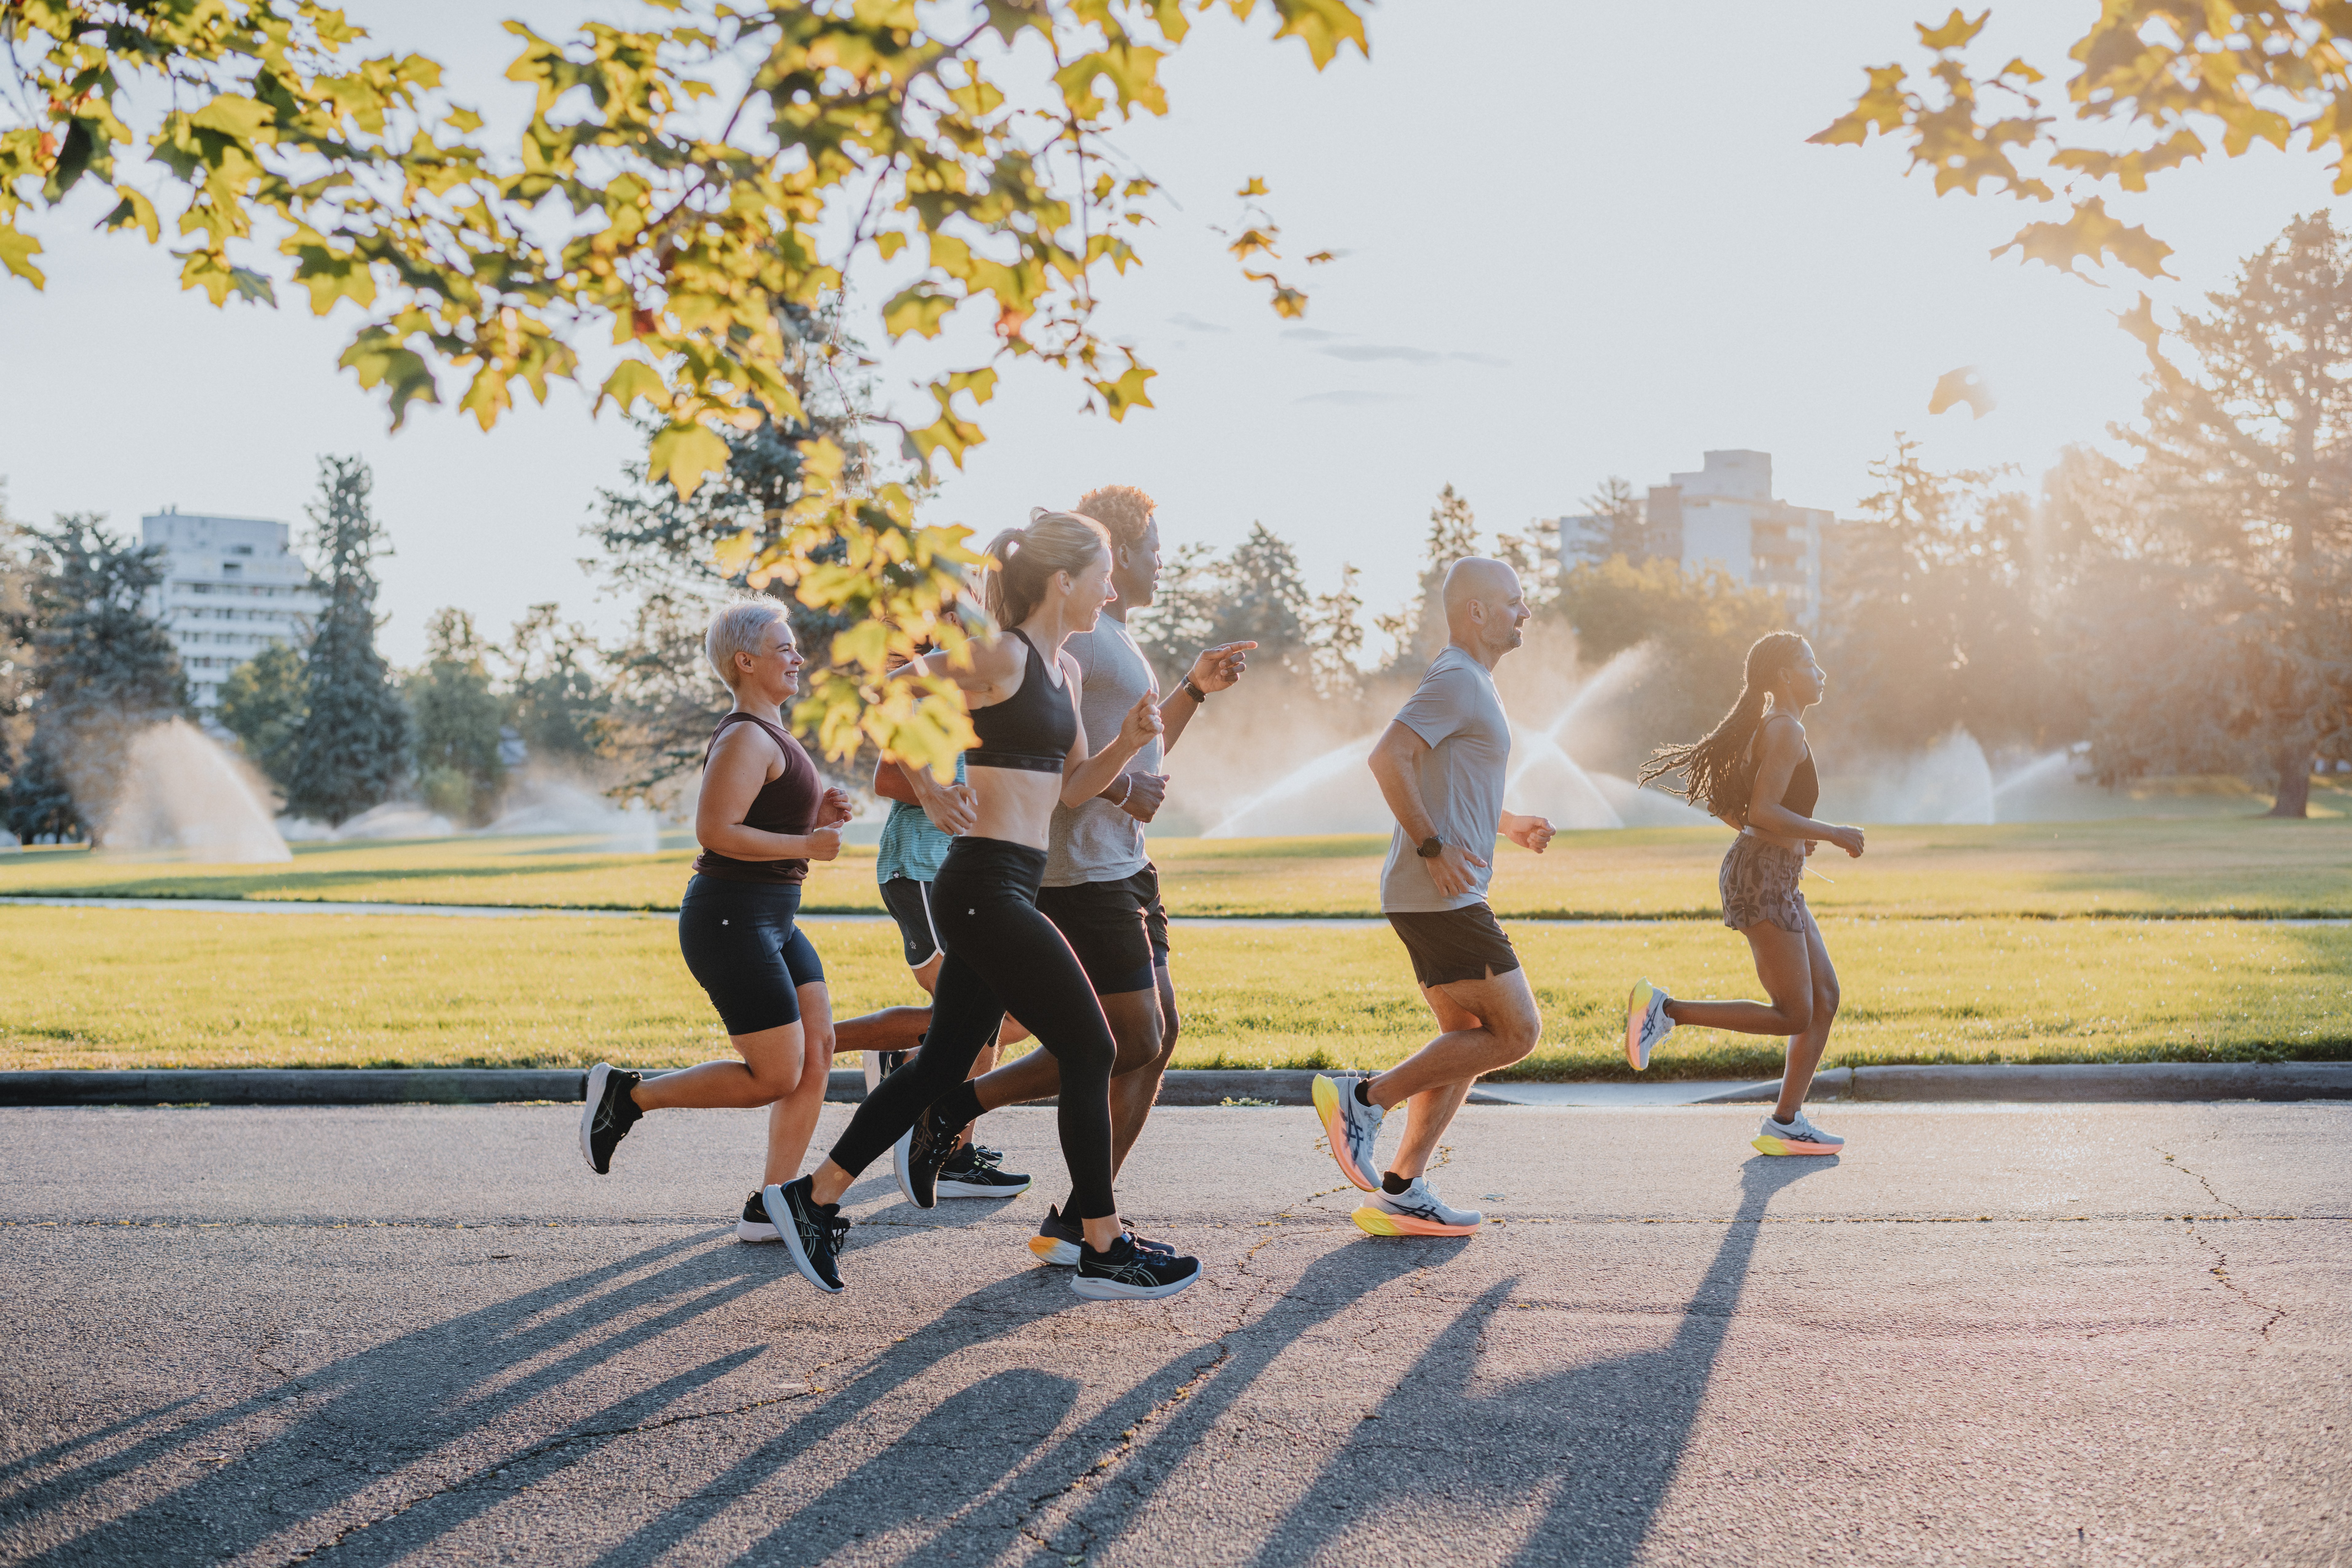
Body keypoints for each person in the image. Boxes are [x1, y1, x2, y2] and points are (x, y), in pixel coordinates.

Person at [764, 509, 1204, 1301]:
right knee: (1093, 1047)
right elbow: (886, 697)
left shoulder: (1063, 670)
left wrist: (1129, 740)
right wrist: (931, 788)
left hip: (1012, 884)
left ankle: (813, 1196)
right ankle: (1102, 1241)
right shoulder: (998, 655)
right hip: (980, 885)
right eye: (1101, 573)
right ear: (1064, 581)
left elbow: (1072, 787)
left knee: (939, 1061)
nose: (1109, 589)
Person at [929, 484, 1255, 1266]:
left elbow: (1144, 748)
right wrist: (1119, 786)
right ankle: (962, 1111)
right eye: (1148, 547)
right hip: (1081, 871)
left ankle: (1082, 1212)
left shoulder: (1113, 640)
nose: (1157, 561)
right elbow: (1063, 756)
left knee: (1152, 1036)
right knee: (1123, 1038)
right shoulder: (1082, 639)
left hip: (1123, 862)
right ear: (1110, 549)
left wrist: (1191, 693)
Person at [577, 599, 929, 1244]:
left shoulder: (773, 733)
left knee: (818, 1054)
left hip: (774, 920)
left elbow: (760, 813)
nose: (797, 657)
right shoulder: (744, 734)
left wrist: (816, 809)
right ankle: (626, 1099)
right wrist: (805, 845)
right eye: (783, 647)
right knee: (775, 1075)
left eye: (795, 647)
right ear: (745, 661)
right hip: (730, 921)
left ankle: (772, 1204)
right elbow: (715, 830)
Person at [1311, 558, 1555, 1238]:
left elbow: (1453, 775)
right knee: (1517, 1032)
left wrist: (1509, 824)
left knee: (1466, 1039)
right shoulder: (1457, 677)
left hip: (1435, 893)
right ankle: (1364, 1099)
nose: (1524, 612)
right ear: (1476, 612)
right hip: (1438, 893)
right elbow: (1389, 757)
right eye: (1512, 601)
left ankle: (1402, 1186)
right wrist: (1431, 846)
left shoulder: (1473, 683)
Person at [1624, 632, 1865, 1157]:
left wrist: (1792, 840)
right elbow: (1761, 812)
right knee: (1794, 1013)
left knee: (1824, 999)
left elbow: (1728, 806)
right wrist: (1831, 832)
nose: (1821, 672)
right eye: (1811, 662)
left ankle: (1786, 1121)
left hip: (1773, 872)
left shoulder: (1774, 727)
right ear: (1784, 675)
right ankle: (1666, 1011)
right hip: (1762, 877)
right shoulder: (1785, 730)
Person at [868, 600, 1033, 1202]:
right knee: (983, 1017)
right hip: (920, 870)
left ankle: (904, 1062)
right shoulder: (922, 698)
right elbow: (887, 778)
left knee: (1005, 1020)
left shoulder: (978, 702)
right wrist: (940, 793)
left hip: (959, 874)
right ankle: (954, 1152)